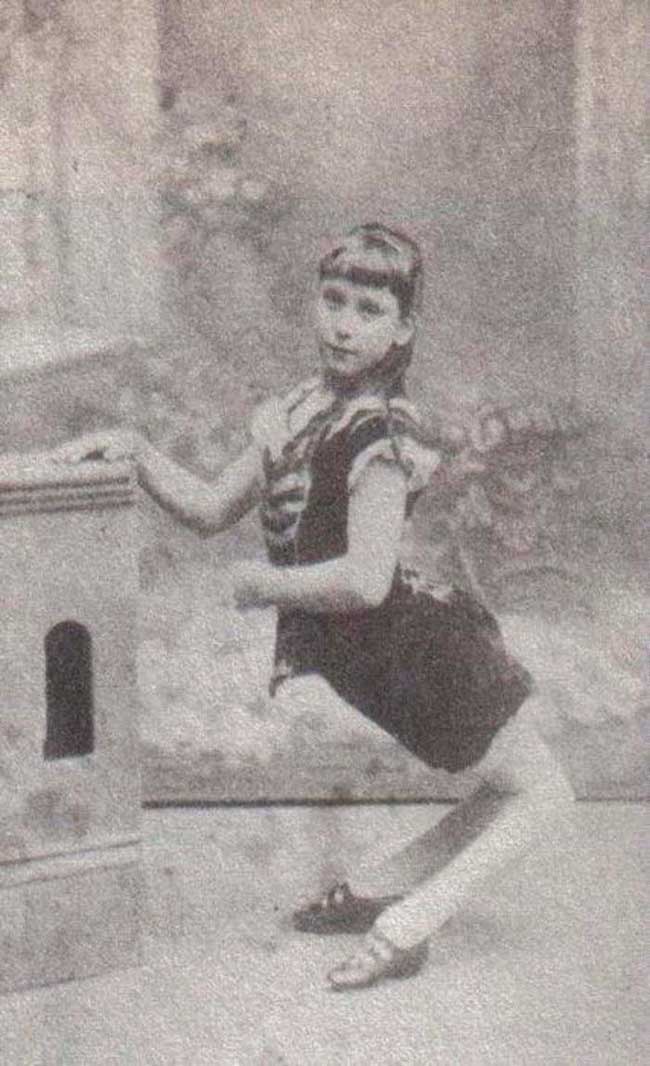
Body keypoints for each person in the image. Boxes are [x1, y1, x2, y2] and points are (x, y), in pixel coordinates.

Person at [54, 223, 574, 991]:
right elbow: (210, 508)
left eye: (369, 310)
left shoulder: (380, 433)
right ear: (315, 302)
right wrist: (136, 449)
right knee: (548, 793)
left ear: (404, 328)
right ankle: (405, 927)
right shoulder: (303, 411)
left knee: (522, 783)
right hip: (397, 649)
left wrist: (263, 585)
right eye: (333, 301)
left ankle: (377, 891)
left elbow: (363, 581)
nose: (343, 325)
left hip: (385, 645)